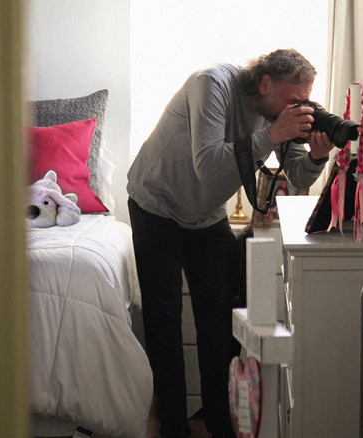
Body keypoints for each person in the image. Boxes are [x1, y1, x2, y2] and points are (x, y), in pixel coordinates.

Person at [127, 48, 335, 437]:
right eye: (294, 99)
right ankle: (173, 428)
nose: (299, 108)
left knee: (219, 322)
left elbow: (297, 175)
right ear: (265, 83)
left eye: (305, 100)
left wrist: (317, 157)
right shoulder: (212, 84)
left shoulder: (276, 115)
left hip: (206, 214)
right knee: (164, 320)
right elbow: (207, 165)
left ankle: (220, 425)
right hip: (156, 205)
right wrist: (272, 135)